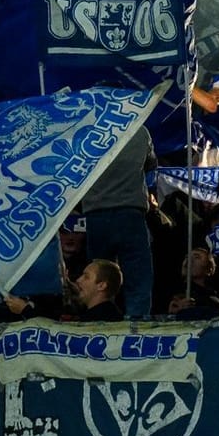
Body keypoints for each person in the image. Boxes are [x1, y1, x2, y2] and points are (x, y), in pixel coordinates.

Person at [77, 128, 156, 317]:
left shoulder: (87, 131)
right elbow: (151, 164)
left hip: (96, 214)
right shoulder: (141, 131)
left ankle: (100, 320)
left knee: (100, 280)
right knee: (138, 279)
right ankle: (136, 327)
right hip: (130, 213)